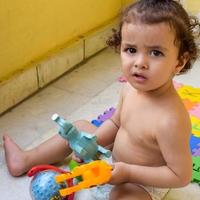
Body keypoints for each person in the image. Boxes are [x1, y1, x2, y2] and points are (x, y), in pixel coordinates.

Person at [3, 0, 200, 199]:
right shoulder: (129, 88)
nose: (140, 63)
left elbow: (180, 175)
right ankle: (26, 159)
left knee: (124, 197)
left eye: (156, 53)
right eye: (131, 50)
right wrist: (90, 142)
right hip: (111, 160)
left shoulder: (170, 120)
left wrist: (128, 172)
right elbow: (116, 123)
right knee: (78, 129)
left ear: (180, 61)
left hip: (141, 181)